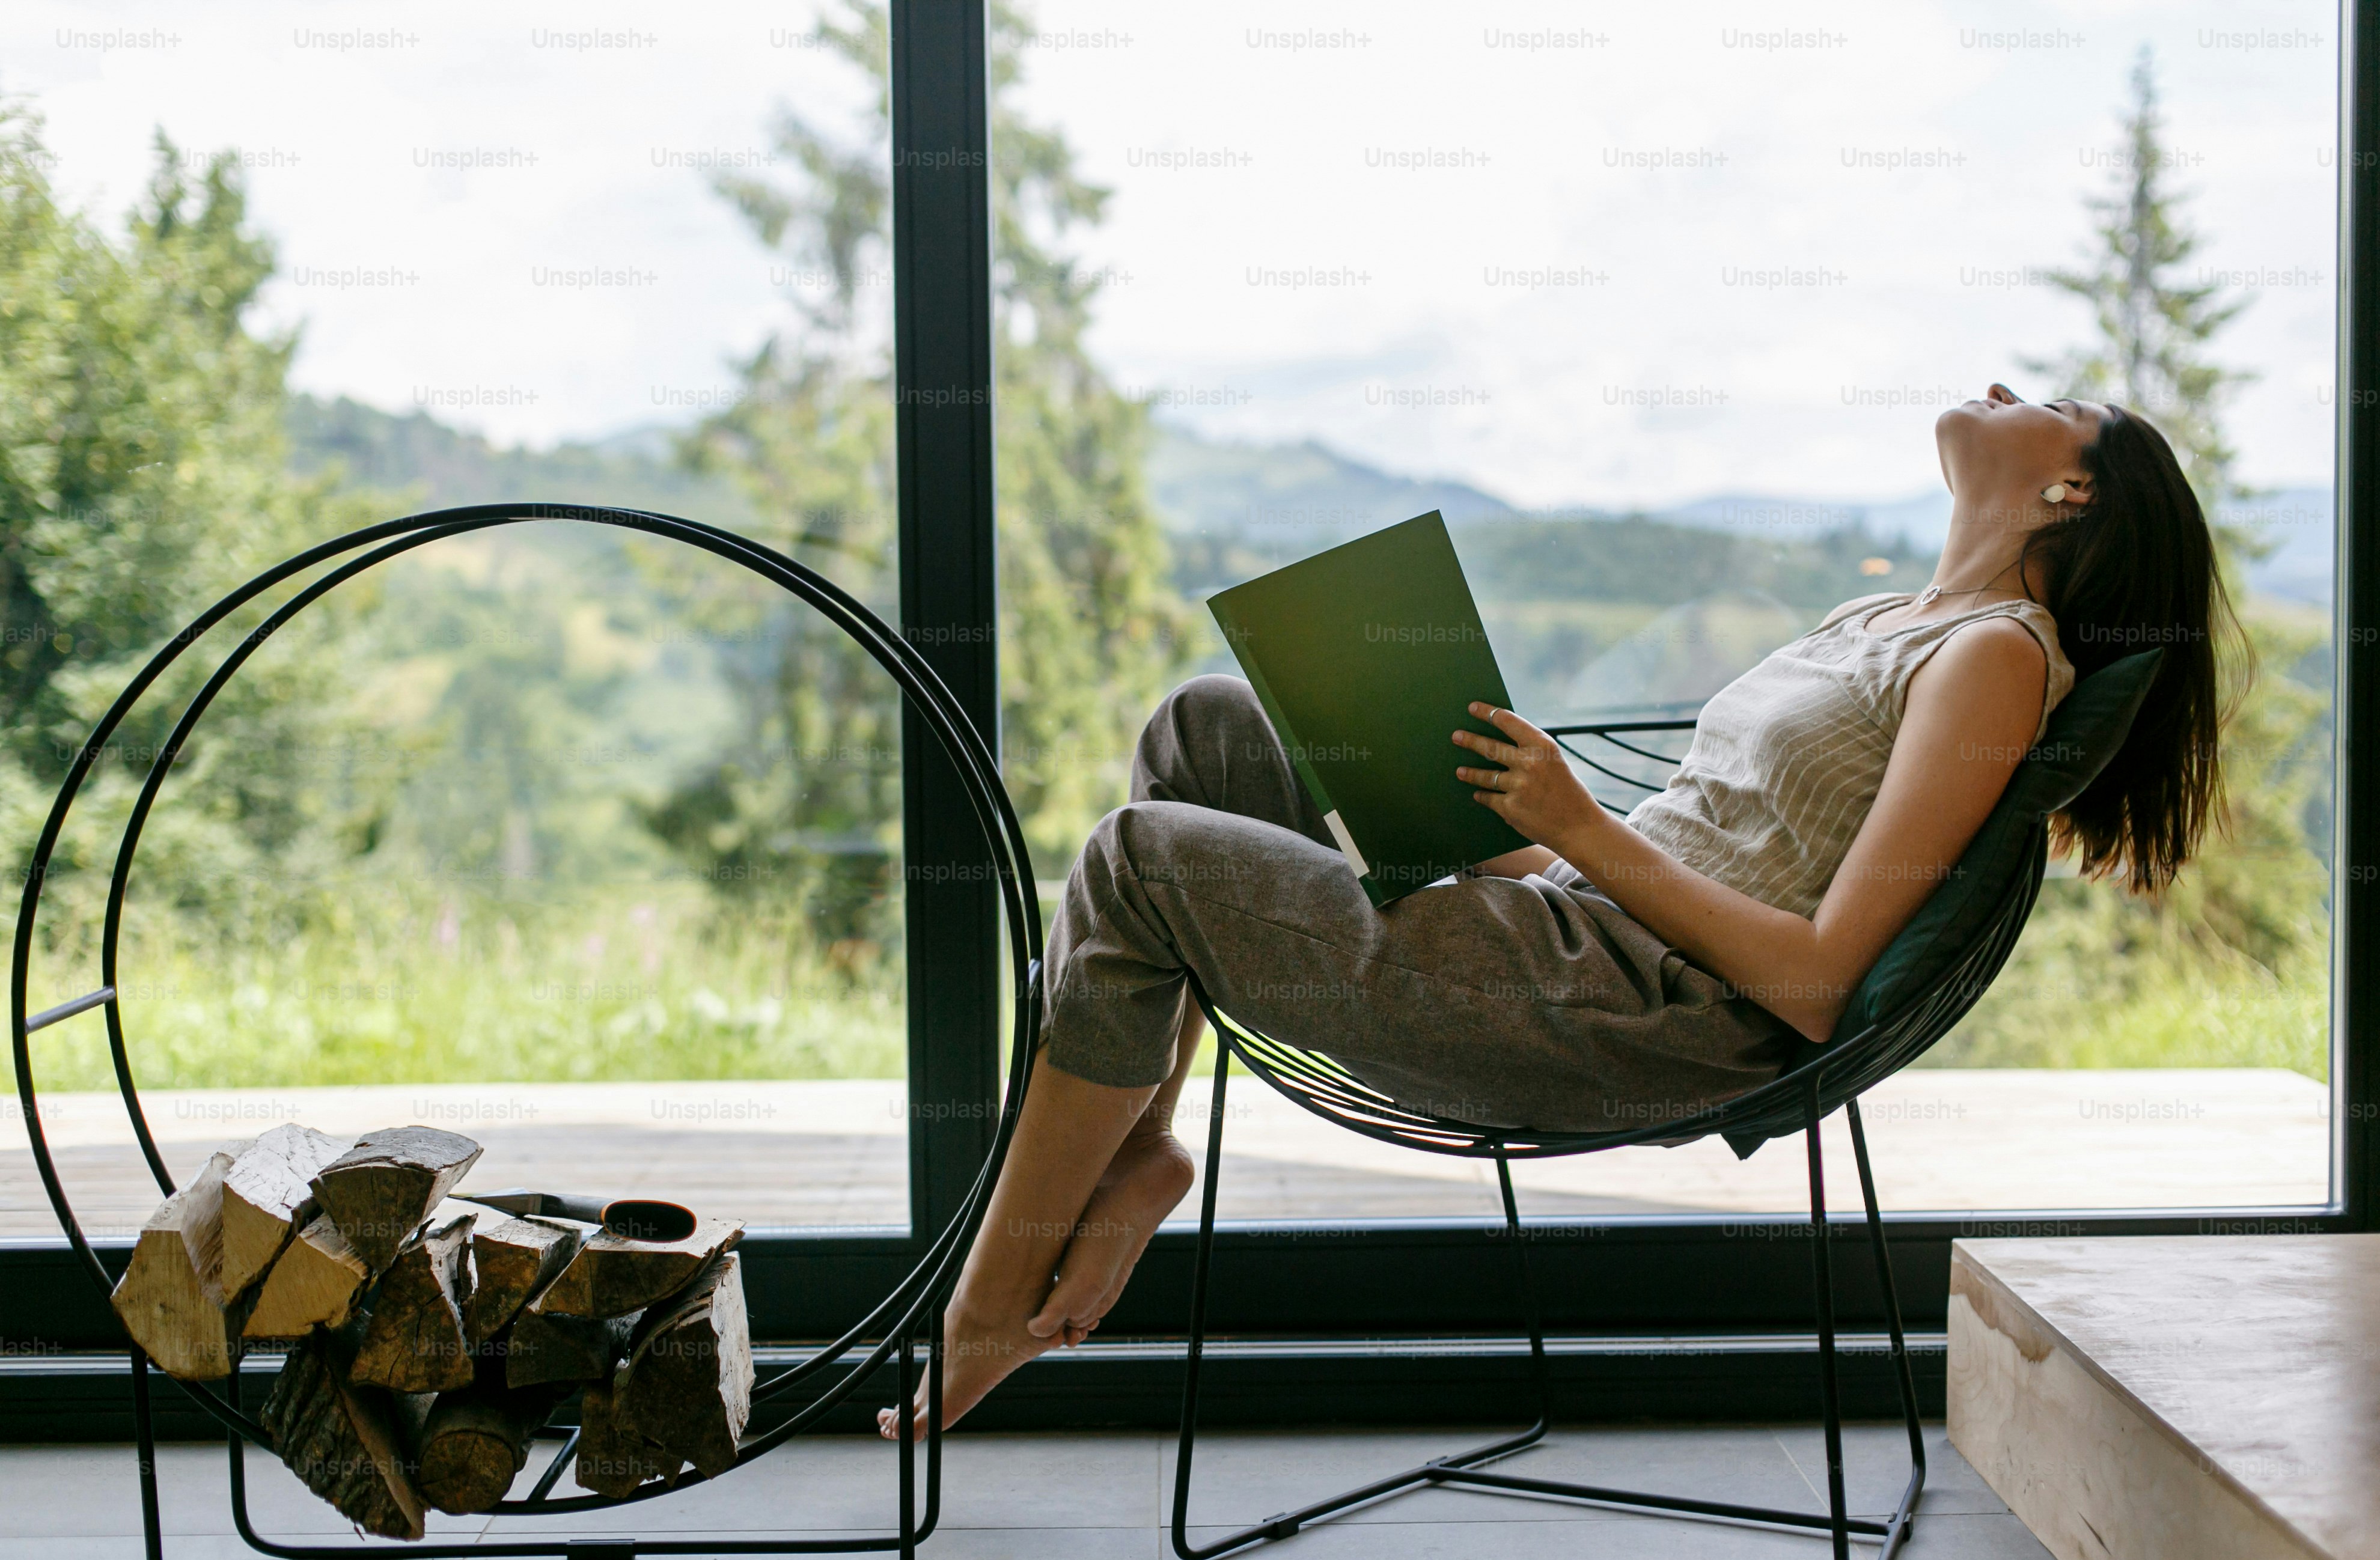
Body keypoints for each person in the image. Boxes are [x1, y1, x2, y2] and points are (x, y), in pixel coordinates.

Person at [881, 382, 2239, 1439]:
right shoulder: (1880, 612)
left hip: (1637, 1017)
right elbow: (1732, 842)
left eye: (2051, 399)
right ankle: (1146, 1150)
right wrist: (1520, 838)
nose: (2002, 386)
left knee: (1140, 858)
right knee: (1204, 729)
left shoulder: (1994, 660)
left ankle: (988, 1309)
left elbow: (1819, 983)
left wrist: (1573, 821)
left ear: (2071, 488)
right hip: (1581, 922)